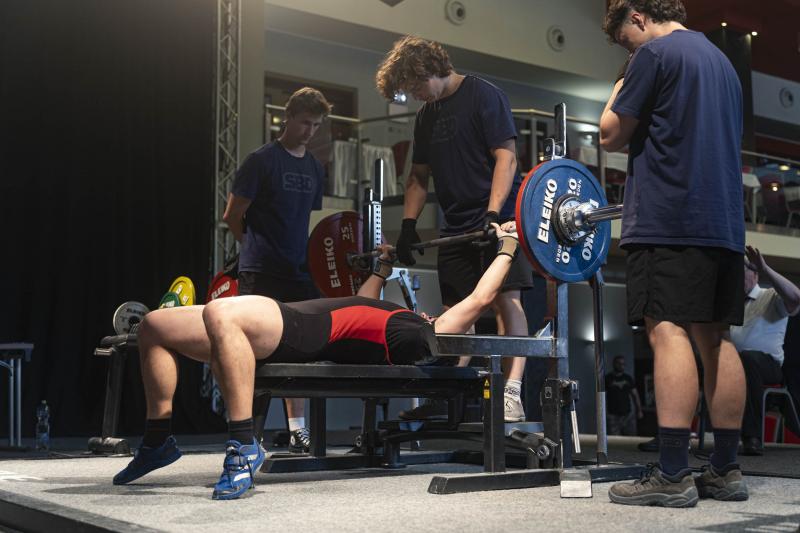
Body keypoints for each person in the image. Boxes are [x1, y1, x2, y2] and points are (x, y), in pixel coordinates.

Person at [112, 223, 522, 500]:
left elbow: (481, 298)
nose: (443, 314)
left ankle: (243, 445)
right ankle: (158, 441)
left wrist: (508, 246)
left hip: (302, 332)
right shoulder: (402, 320)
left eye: (455, 322)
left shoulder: (423, 338)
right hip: (291, 319)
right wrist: (382, 267)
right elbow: (362, 299)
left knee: (222, 311)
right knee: (153, 326)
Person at [600, 0, 748, 507]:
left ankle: (672, 472)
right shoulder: (722, 62)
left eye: (625, 40)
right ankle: (725, 469)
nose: (628, 50)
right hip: (722, 221)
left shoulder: (654, 54)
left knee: (667, 330)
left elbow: (609, 134)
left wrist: (622, 77)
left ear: (638, 18)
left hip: (669, 217)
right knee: (716, 336)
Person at [375, 36, 533, 423]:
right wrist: (408, 226)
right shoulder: (426, 115)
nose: (414, 95)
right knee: (455, 311)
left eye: (414, 86)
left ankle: (512, 394)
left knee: (506, 301)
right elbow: (418, 176)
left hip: (500, 218)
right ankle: (445, 395)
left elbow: (507, 158)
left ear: (429, 70)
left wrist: (493, 212)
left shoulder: (484, 95)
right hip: (457, 222)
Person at [222, 87, 331, 453]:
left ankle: (297, 428)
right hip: (261, 271)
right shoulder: (261, 161)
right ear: (289, 117)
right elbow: (232, 215)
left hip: (298, 272)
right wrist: (254, 247)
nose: (310, 131)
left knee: (297, 349)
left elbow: (303, 219)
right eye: (305, 123)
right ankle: (249, 433)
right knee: (255, 351)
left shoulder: (314, 167)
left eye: (316, 125)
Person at [732, 246, 800, 455]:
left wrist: (765, 268)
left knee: (748, 358)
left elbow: (796, 297)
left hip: (768, 366)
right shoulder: (734, 306)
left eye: (740, 272)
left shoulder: (770, 296)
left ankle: (752, 437)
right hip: (736, 365)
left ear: (754, 274)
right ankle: (676, 436)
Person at [605, 356, 644, 436]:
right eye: (619, 363)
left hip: (627, 415)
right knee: (614, 440)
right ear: (614, 364)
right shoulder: (608, 378)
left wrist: (639, 410)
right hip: (613, 415)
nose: (621, 365)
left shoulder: (628, 378)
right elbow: (601, 397)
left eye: (623, 364)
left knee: (631, 439)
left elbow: (635, 395)